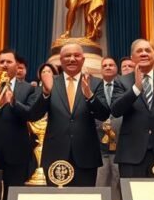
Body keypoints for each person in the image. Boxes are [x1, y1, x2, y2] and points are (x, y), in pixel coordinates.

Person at [27, 43, 110, 186]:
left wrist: (89, 96)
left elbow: (103, 114)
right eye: (67, 56)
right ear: (60, 60)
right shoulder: (51, 82)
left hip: (86, 155)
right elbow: (34, 115)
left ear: (83, 60)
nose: (72, 59)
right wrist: (45, 93)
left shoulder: (95, 83)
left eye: (76, 56)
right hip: (55, 154)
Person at [111, 39, 154, 178]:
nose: (144, 53)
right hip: (131, 155)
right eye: (139, 51)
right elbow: (115, 110)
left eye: (148, 50)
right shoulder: (122, 81)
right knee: (132, 198)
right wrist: (135, 90)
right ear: (132, 57)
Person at [0, 49, 39, 200]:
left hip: (17, 150)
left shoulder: (28, 88)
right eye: (1, 62)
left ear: (17, 65)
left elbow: (30, 113)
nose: (4, 65)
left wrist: (14, 102)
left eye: (9, 62)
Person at [92, 56, 122, 199]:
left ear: (116, 68)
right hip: (99, 143)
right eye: (105, 65)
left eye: (111, 65)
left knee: (119, 179)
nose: (108, 67)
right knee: (101, 179)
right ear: (101, 70)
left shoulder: (124, 86)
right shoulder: (94, 87)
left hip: (121, 143)